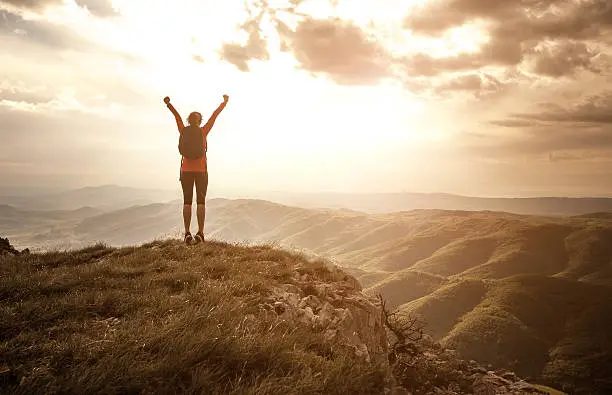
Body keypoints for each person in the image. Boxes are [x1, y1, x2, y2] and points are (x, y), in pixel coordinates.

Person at [164, 94, 229, 244]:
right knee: (201, 202)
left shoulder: (183, 130)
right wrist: (224, 103)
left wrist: (169, 104)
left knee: (187, 202)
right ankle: (200, 233)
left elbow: (177, 117)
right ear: (200, 121)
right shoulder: (203, 131)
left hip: (186, 170)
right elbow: (214, 115)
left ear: (188, 120)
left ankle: (187, 233)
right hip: (201, 172)